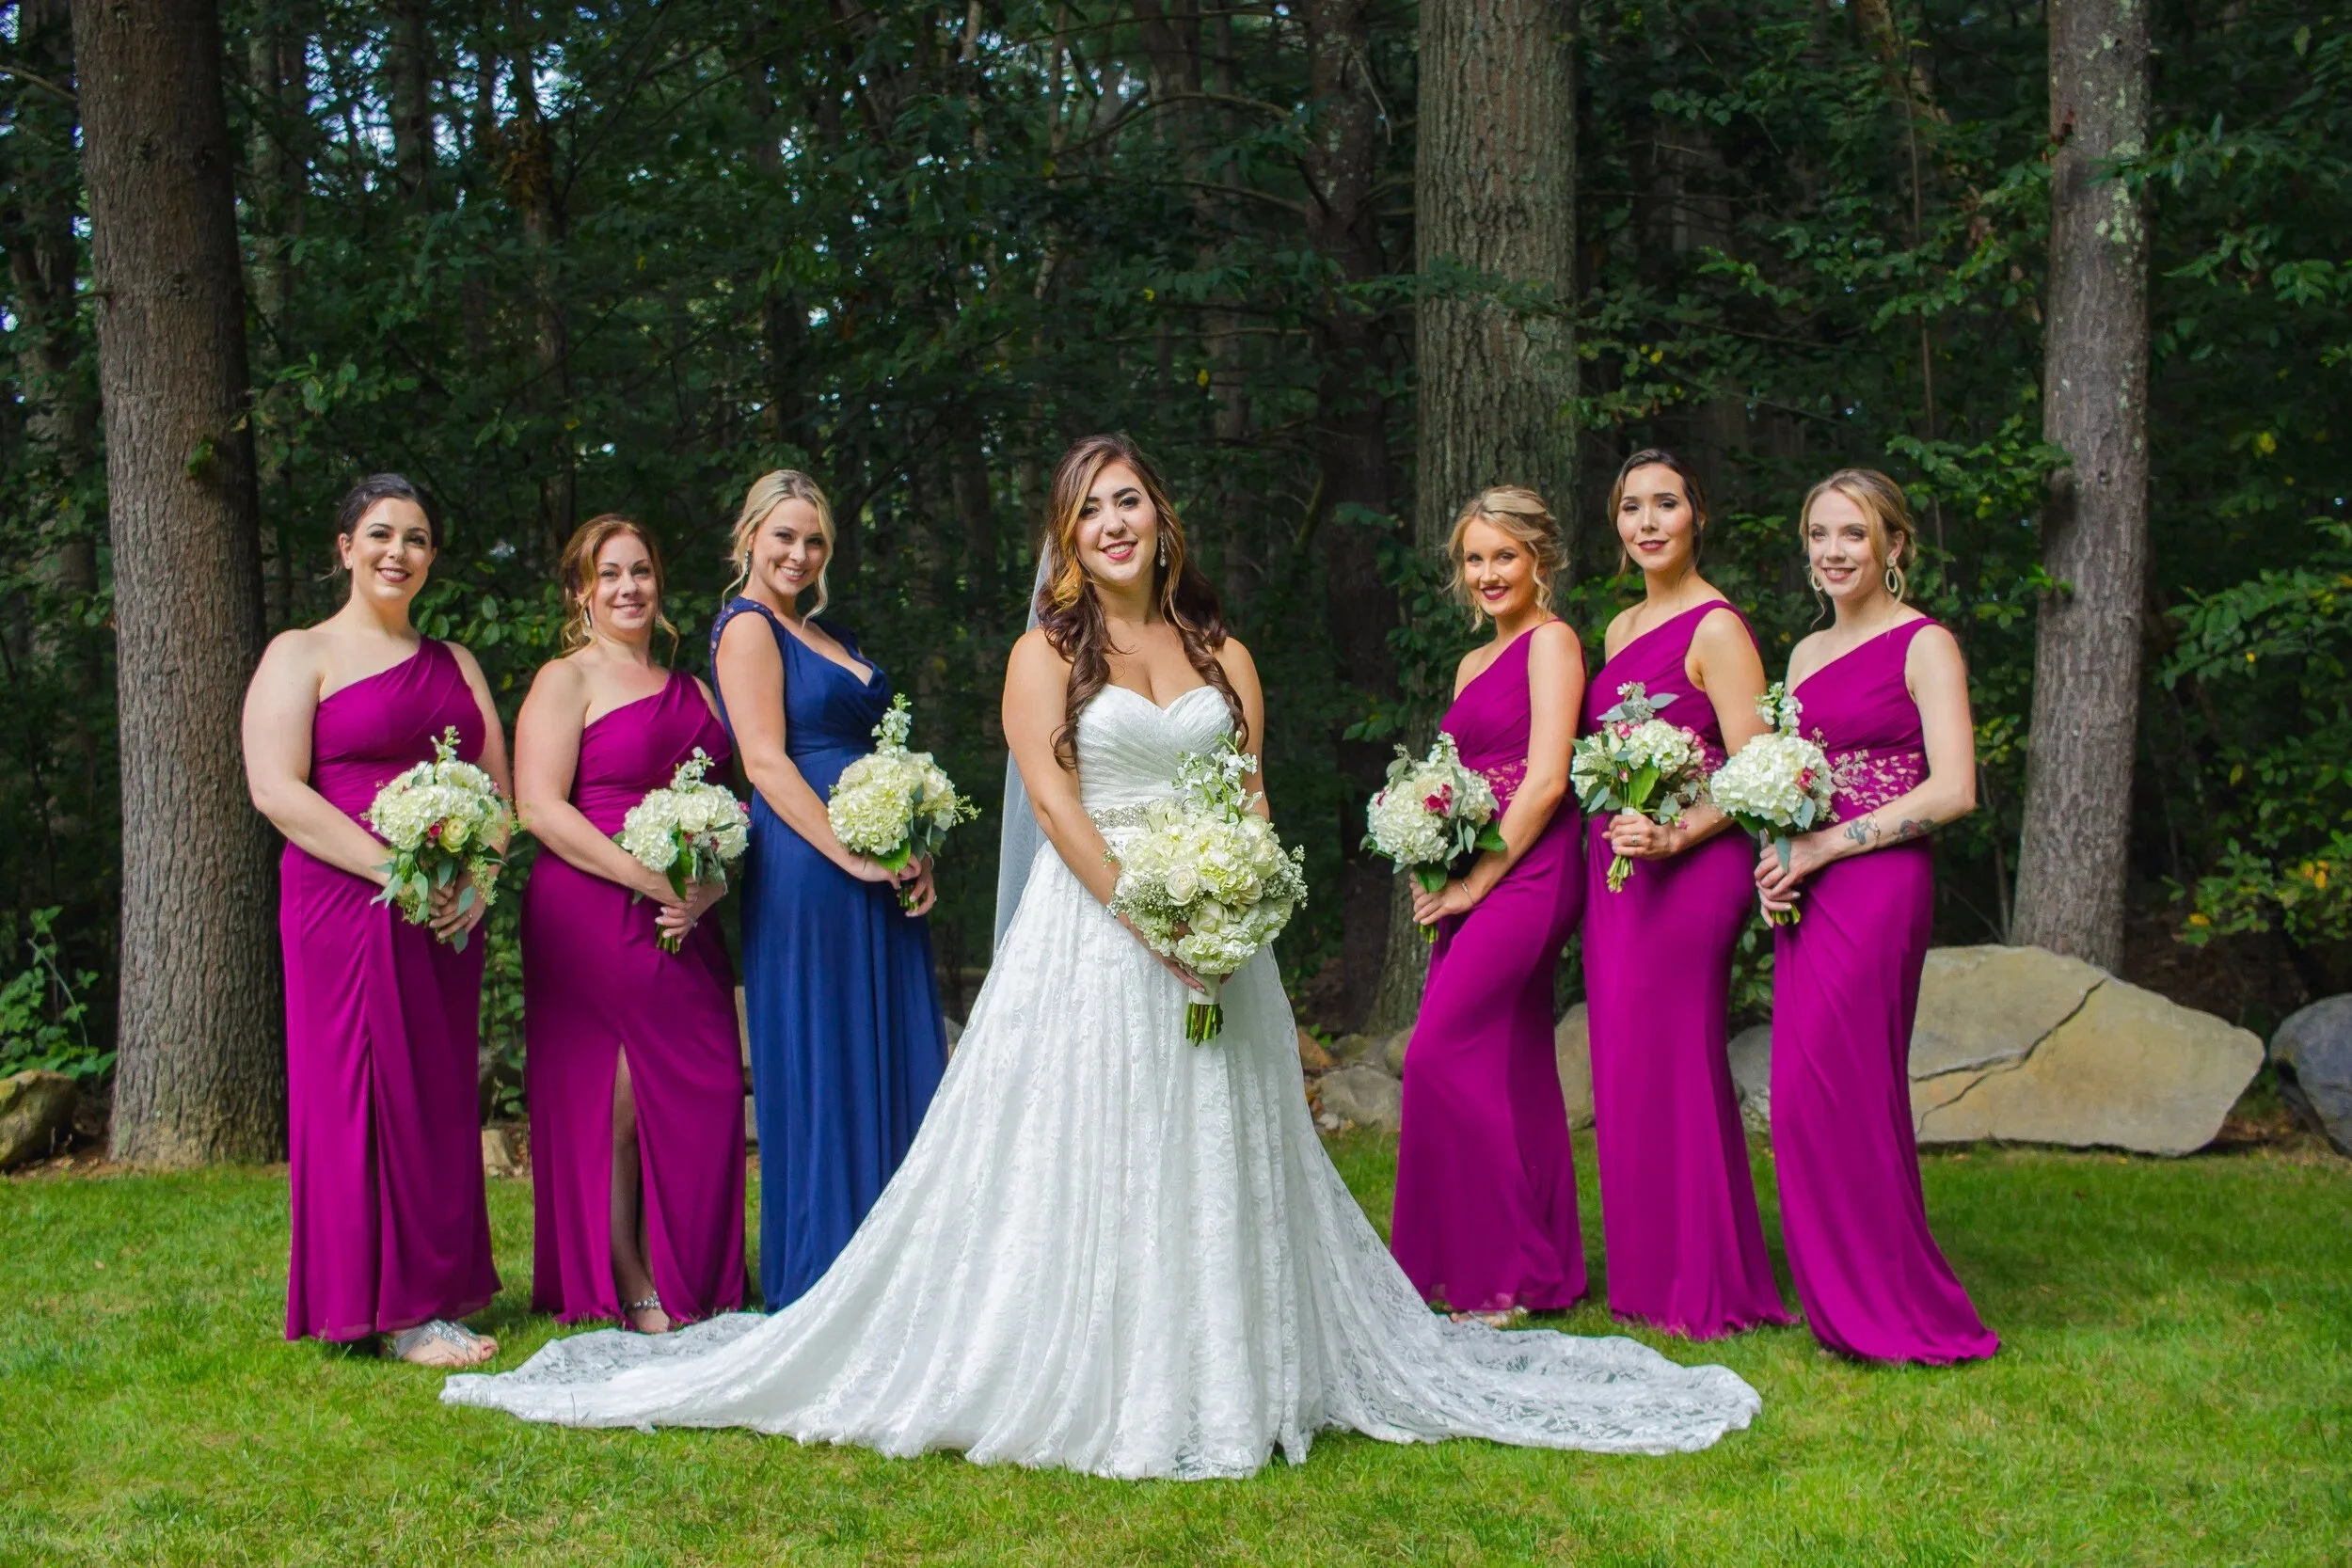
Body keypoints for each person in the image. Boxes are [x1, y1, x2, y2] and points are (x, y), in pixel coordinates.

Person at [444, 435, 1760, 1478]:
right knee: (1093, 1145)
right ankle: (1092, 1355)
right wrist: (1149, 914)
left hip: (1219, 936)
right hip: (1099, 932)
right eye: (1091, 510)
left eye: (1129, 501)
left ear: (1159, 518)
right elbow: (1061, 806)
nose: (1115, 524)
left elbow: (1247, 799)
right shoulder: (1041, 654)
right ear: (1066, 538)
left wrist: (1230, 915)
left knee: (1220, 1141)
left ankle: (1232, 1362)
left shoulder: (1222, 649)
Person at [242, 473, 505, 1368]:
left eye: (419, 538)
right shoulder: (299, 652)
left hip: (444, 911)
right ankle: (386, 1308)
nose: (400, 552)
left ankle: (436, 1288)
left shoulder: (459, 663)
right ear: (345, 547)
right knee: (364, 1086)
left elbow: (498, 795)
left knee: (434, 1088)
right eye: (382, 534)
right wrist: (391, 866)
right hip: (342, 901)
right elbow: (275, 788)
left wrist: (477, 882)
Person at [1755, 468, 1998, 1365]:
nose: (1833, 552)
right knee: (1805, 1100)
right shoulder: (1803, 656)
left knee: (1848, 1089)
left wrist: (1826, 847)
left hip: (1880, 883)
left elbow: (1955, 788)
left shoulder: (1924, 644)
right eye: (1819, 534)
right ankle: (1843, 1296)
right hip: (1809, 888)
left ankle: (1896, 1305)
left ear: (1894, 546)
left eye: (1853, 534)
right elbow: (1790, 786)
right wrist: (1779, 858)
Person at [707, 471, 946, 1309]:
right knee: (828, 1050)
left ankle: (907, 1275)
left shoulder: (823, 629)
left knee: (889, 1046)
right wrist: (852, 856)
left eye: (813, 541)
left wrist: (912, 843)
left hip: (876, 861)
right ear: (749, 536)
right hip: (814, 868)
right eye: (783, 536)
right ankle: (828, 1276)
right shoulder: (747, 629)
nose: (799, 554)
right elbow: (764, 761)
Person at [513, 515, 748, 1334]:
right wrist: (645, 875)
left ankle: (705, 1270)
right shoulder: (565, 679)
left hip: (686, 909)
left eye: (641, 571)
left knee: (707, 1083)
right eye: (609, 575)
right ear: (582, 591)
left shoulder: (697, 690)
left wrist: (708, 883)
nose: (628, 589)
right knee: (612, 1100)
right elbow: (539, 806)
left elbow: (733, 808)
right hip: (590, 903)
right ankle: (627, 1273)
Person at [1579, 450, 1792, 1338]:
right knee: (1625, 1060)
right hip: (1618, 866)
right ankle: (1647, 1272)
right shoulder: (1620, 629)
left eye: (1667, 503)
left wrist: (1674, 831)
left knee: (1677, 1054)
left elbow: (1757, 770)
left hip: (1690, 865)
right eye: (1633, 507)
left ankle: (1710, 1275)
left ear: (1696, 513)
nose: (1649, 522)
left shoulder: (1718, 629)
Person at [1389, 487, 1589, 1322]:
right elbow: (1458, 782)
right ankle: (1540, 1270)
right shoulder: (1473, 664)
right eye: (1475, 559)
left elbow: (1544, 779)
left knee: (1439, 1054)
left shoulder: (1554, 643)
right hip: (1472, 871)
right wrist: (1429, 851)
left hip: (1530, 872)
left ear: (1540, 558)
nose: (1488, 573)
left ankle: (1501, 1268)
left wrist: (1476, 881)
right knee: (1512, 1066)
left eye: (1504, 555)